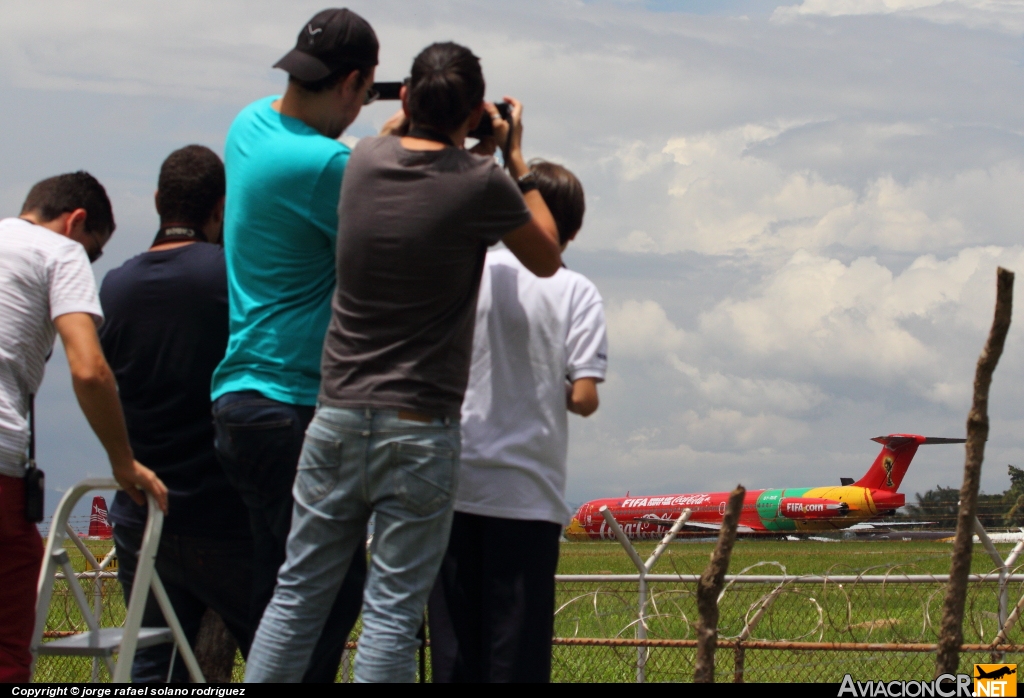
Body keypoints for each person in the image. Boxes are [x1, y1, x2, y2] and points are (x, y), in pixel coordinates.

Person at [244, 40, 563, 684]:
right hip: (420, 427)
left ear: (410, 98)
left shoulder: (361, 159)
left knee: (297, 596)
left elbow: (396, 138)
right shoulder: (485, 185)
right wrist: (511, 151)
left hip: (336, 416)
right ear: (473, 111)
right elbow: (546, 254)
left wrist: (420, 114)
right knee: (390, 615)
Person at [209, 8, 378, 681]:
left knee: (282, 595)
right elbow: (392, 231)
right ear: (354, 84)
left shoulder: (249, 125)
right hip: (293, 406)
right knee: (327, 600)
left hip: (242, 400)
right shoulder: (328, 165)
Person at [428, 160, 607, 682]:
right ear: (571, 229)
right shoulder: (577, 292)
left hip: (451, 486)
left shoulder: (466, 271)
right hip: (526, 496)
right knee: (516, 660)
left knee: (455, 655)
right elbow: (584, 397)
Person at [0, 172, 167, 682]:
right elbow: (89, 368)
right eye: (95, 253)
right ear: (76, 221)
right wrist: (122, 461)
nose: (90, 264)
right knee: (7, 644)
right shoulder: (59, 251)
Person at [98, 145, 253, 682]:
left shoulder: (115, 287)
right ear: (221, 208)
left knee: (154, 662)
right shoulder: (232, 278)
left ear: (160, 201)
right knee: (282, 656)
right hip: (227, 509)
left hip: (145, 514)